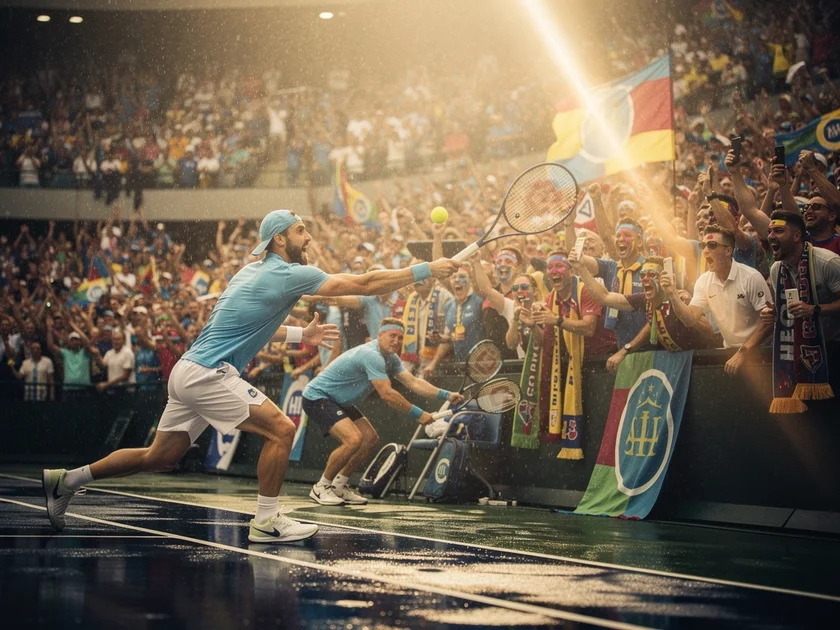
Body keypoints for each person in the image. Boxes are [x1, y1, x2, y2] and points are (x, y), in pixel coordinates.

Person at [43, 209, 458, 544]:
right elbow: (366, 283)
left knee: (159, 457)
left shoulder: (247, 272)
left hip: (187, 371)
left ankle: (66, 481)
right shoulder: (290, 274)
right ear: (280, 239)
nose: (308, 239)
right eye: (301, 231)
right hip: (208, 373)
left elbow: (245, 322)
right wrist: (426, 269)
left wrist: (302, 333)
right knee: (281, 429)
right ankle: (266, 522)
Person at [302, 318, 465, 506]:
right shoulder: (371, 355)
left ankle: (338, 486)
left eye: (400, 337)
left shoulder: (391, 359)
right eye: (392, 336)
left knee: (370, 439)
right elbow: (387, 394)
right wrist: (419, 414)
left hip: (339, 400)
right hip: (318, 396)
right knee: (353, 440)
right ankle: (321, 487)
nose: (396, 341)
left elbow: (413, 382)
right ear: (380, 336)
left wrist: (446, 395)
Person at [665, 226, 772, 375]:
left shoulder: (751, 277)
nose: (706, 250)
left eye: (712, 245)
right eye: (703, 246)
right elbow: (690, 319)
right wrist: (672, 294)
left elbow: (768, 322)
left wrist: (743, 352)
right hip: (729, 352)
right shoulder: (703, 281)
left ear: (728, 251)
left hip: (760, 352)